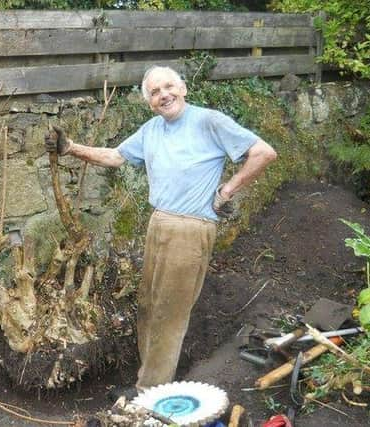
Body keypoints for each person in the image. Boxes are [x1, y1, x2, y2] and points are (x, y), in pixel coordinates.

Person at [44, 66, 277, 398]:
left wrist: (226, 192)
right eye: (155, 92)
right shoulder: (152, 129)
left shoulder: (209, 121)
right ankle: (148, 378)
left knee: (169, 314)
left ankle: (150, 394)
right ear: (149, 101)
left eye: (169, 87)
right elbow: (114, 157)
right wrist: (70, 148)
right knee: (149, 306)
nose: (163, 94)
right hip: (159, 223)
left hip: (190, 229)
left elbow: (263, 153)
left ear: (183, 87)